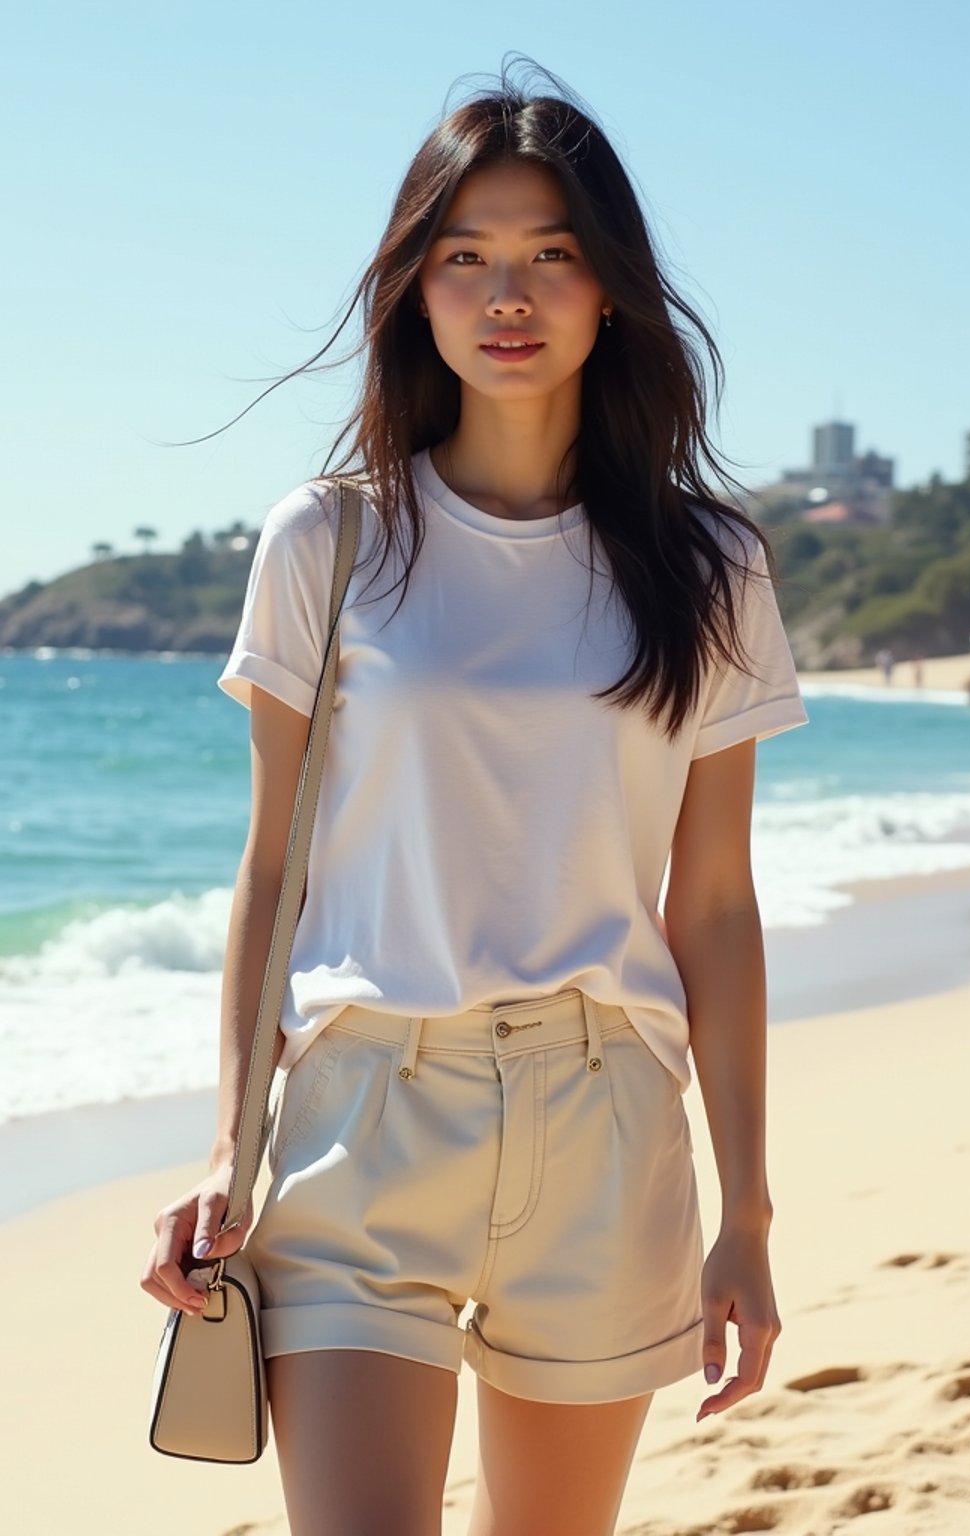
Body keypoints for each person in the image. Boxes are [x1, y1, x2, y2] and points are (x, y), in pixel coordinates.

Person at [141, 60, 808, 1536]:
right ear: (417, 294)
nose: (509, 294)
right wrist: (224, 1145)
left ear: (611, 289)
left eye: (551, 256)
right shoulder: (331, 539)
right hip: (366, 1109)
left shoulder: (710, 566)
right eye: (467, 257)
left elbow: (712, 902)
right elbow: (274, 871)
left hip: (605, 1115)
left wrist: (744, 1212)